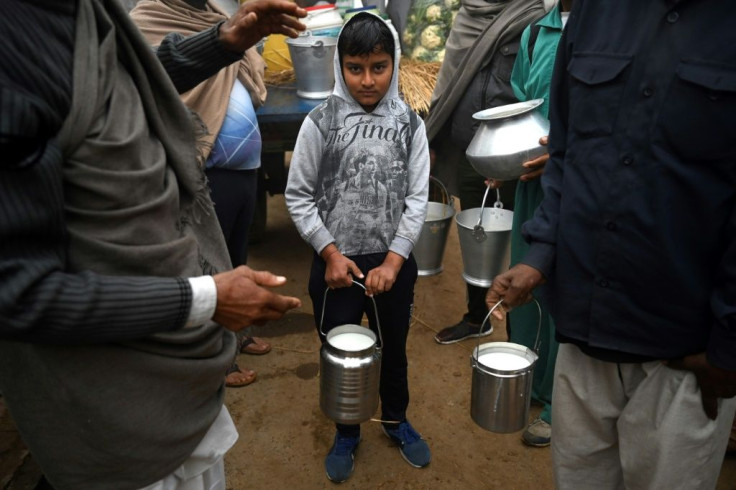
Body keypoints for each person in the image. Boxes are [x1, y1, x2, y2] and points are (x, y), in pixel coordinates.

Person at [0, 0, 306, 489]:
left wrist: (223, 42)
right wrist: (207, 298)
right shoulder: (15, 47)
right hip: (117, 415)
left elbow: (122, 82)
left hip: (174, 380)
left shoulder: (80, 15)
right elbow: (17, 292)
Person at [486, 1, 736, 488]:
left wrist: (729, 345)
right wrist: (541, 254)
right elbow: (566, 151)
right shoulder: (597, 11)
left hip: (684, 356)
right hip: (581, 334)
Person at [285, 12, 431, 483]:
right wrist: (328, 253)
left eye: (378, 67)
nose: (367, 81)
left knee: (393, 348)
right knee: (343, 352)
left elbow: (416, 198)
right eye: (354, 68)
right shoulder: (320, 123)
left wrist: (394, 259)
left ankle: (395, 420)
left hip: (392, 264)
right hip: (336, 267)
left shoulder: (410, 125)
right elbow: (299, 195)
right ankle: (347, 430)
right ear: (338, 66)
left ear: (394, 64)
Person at [130, 0, 273, 388]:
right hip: (205, 172)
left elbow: (243, 65)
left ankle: (239, 335)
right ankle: (219, 359)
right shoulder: (147, 19)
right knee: (209, 266)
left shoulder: (217, 16)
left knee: (237, 258)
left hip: (243, 171)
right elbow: (157, 87)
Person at [423, 0, 554, 344]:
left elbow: (534, 91)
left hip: (520, 153)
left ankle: (521, 336)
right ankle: (477, 317)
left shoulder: (538, 15)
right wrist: (432, 138)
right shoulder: (469, 16)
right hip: (473, 147)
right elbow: (448, 85)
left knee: (525, 243)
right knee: (478, 234)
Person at [502, 0, 572, 447]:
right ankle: (525, 376)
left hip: (576, 187)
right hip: (532, 184)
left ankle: (555, 403)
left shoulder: (606, 33)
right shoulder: (534, 34)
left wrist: (565, 154)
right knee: (524, 282)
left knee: (565, 290)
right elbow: (521, 105)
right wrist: (504, 153)